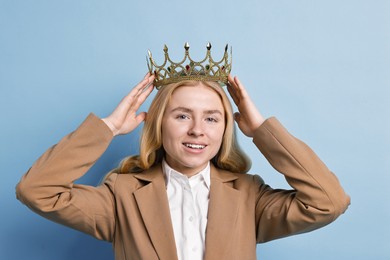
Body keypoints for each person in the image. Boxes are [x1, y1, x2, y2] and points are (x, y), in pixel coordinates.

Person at [16, 44, 350, 260]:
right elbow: (36, 191)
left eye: (211, 118)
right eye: (182, 116)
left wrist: (262, 131)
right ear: (160, 124)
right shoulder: (122, 196)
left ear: (225, 128)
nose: (197, 130)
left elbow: (328, 202)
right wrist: (107, 128)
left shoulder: (249, 196)